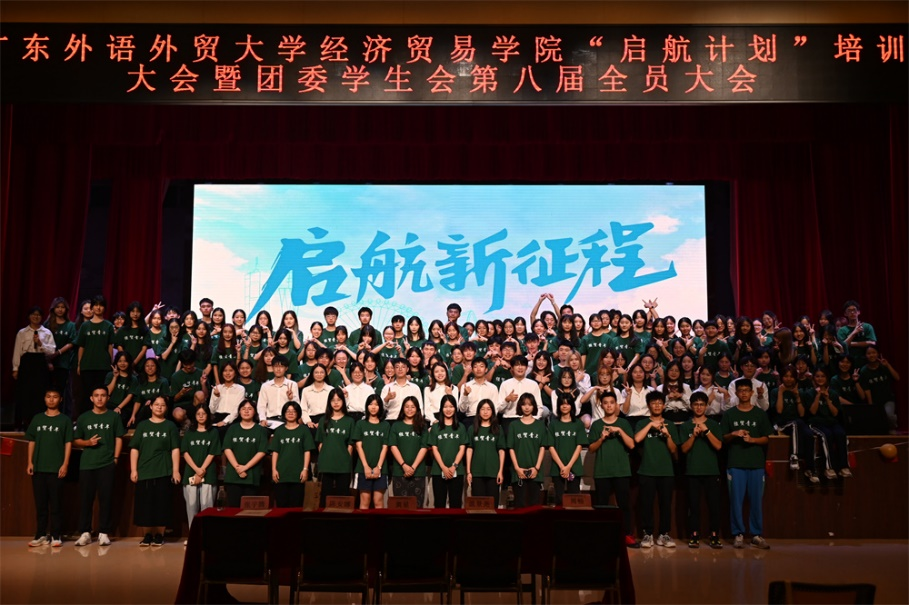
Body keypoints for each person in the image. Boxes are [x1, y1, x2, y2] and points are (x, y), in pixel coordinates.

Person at [722, 378, 773, 549]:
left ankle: (756, 534)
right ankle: (738, 534)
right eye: (741, 390)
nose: (743, 393)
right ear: (736, 393)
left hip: (756, 463)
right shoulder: (730, 414)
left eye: (746, 390)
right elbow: (723, 438)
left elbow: (766, 438)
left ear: (752, 393)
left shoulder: (760, 414)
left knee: (756, 501)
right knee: (736, 501)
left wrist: (752, 440)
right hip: (736, 463)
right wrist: (734, 434)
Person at [74, 387, 125, 546]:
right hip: (87, 464)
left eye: (103, 395)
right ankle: (85, 532)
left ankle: (104, 532)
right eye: (96, 395)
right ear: (91, 398)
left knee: (106, 499)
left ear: (108, 398)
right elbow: (76, 440)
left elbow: (119, 437)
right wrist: (88, 442)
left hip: (107, 462)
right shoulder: (84, 417)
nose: (100, 398)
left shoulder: (113, 416)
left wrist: (115, 458)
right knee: (86, 499)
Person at [587, 391, 637, 546]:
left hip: (621, 471)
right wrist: (601, 438)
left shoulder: (623, 423)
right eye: (605, 403)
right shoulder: (596, 425)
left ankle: (626, 535)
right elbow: (591, 449)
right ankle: (602, 536)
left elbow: (631, 445)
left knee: (624, 505)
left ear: (616, 405)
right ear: (601, 405)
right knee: (602, 506)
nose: (609, 405)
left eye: (611, 402)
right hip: (602, 471)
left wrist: (619, 431)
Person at [129, 396, 180, 547]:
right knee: (145, 503)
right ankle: (147, 535)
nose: (159, 407)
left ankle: (159, 535)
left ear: (166, 408)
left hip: (163, 469)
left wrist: (175, 470)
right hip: (144, 470)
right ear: (150, 406)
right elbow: (134, 448)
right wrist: (133, 470)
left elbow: (175, 449)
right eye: (156, 404)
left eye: (162, 405)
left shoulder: (170, 426)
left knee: (162, 503)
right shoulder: (143, 426)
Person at [25, 387, 73, 547]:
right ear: (44, 399)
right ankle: (40, 535)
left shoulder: (64, 420)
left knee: (56, 504)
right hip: (38, 468)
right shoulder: (37, 418)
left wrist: (65, 464)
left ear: (60, 399)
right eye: (48, 396)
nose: (51, 399)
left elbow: (68, 443)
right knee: (41, 504)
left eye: (55, 397)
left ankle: (56, 535)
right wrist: (30, 462)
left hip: (56, 468)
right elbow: (32, 441)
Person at [634, 391, 679, 548]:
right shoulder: (642, 423)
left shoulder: (670, 425)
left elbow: (673, 449)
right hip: (647, 470)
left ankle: (664, 534)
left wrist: (667, 435)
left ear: (664, 405)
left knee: (665, 505)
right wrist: (650, 425)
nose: (657, 405)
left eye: (660, 403)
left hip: (666, 471)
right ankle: (647, 534)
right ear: (649, 406)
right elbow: (637, 439)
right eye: (654, 403)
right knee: (646, 504)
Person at [680, 391, 724, 549]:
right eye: (696, 404)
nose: (699, 407)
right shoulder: (686, 426)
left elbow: (718, 446)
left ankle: (714, 535)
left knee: (714, 506)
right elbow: (684, 449)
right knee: (693, 506)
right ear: (691, 406)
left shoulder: (713, 424)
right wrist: (693, 435)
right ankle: (694, 535)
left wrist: (707, 431)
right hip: (692, 471)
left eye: (702, 404)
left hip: (711, 471)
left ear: (706, 406)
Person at [13, 306, 57, 429]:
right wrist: (15, 368)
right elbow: (17, 351)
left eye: (38, 315)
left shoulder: (46, 332)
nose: (35, 317)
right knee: (25, 393)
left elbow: (52, 350)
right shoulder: (22, 332)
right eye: (33, 314)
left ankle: (39, 421)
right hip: (26, 362)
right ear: (29, 316)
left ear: (41, 317)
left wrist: (40, 343)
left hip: (40, 363)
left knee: (39, 393)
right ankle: (23, 422)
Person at [506, 393, 551, 508]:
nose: (527, 407)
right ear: (520, 406)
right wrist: (517, 468)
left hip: (535, 471)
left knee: (534, 505)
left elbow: (542, 447)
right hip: (518, 472)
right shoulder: (514, 425)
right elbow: (511, 448)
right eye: (524, 404)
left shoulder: (540, 425)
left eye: (530, 404)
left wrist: (536, 468)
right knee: (519, 504)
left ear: (534, 406)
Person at [807, 367, 852, 479]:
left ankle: (843, 467)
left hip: (831, 422)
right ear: (813, 378)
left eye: (823, 376)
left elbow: (835, 413)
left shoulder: (833, 394)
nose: (820, 379)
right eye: (817, 376)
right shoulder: (809, 393)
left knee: (841, 433)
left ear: (827, 378)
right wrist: (818, 396)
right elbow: (812, 412)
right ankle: (829, 468)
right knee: (826, 435)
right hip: (816, 423)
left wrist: (827, 399)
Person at [181, 405, 221, 531]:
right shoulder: (189, 432)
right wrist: (196, 470)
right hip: (191, 471)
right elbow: (185, 452)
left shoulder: (213, 432)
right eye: (198, 414)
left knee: (206, 504)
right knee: (191, 504)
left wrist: (201, 470)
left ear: (208, 415)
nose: (201, 416)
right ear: (195, 416)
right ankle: (193, 535)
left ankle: (206, 535)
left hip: (207, 472)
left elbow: (213, 452)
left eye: (204, 413)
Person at [222, 399, 268, 507]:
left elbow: (262, 451)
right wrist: (238, 467)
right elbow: (227, 448)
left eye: (250, 409)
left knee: (249, 511)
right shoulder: (232, 428)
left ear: (255, 412)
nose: (246, 411)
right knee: (233, 509)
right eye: (243, 409)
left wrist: (245, 467)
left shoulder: (260, 430)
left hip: (251, 475)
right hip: (233, 475)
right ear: (239, 412)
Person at [270, 401, 315, 507]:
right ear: (284, 413)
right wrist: (274, 470)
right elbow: (275, 451)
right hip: (281, 474)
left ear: (298, 413)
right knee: (281, 505)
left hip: (298, 474)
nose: (290, 413)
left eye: (294, 411)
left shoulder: (304, 430)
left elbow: (307, 451)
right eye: (288, 411)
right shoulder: (279, 431)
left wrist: (305, 469)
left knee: (296, 505)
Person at [315, 387, 355, 506]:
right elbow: (320, 443)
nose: (336, 403)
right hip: (326, 464)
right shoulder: (323, 420)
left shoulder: (349, 421)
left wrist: (346, 459)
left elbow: (350, 445)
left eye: (339, 400)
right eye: (333, 400)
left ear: (343, 401)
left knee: (342, 497)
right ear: (329, 402)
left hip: (343, 465)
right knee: (325, 497)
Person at [428, 394, 468, 508]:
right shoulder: (436, 427)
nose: (448, 409)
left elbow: (462, 449)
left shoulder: (461, 427)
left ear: (455, 408)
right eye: (445, 407)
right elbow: (434, 449)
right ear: (441, 409)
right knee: (439, 504)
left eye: (451, 406)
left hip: (457, 471)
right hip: (438, 471)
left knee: (456, 504)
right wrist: (443, 468)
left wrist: (454, 466)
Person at [548, 392, 588, 505]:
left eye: (567, 404)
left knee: (574, 500)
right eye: (562, 404)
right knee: (558, 500)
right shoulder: (553, 424)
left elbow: (579, 446)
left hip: (574, 467)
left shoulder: (578, 424)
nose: (564, 406)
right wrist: (562, 467)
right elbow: (551, 447)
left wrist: (568, 467)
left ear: (572, 406)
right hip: (557, 468)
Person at [389, 395, 429, 506]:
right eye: (407, 406)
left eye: (413, 407)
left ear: (417, 409)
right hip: (399, 471)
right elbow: (393, 446)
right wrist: (404, 465)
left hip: (418, 472)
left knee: (417, 506)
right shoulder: (396, 426)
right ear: (402, 408)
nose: (409, 409)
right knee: (400, 507)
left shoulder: (422, 426)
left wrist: (413, 467)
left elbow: (424, 447)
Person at [352, 394, 390, 509]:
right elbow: (358, 446)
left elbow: (385, 447)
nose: (373, 407)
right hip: (362, 468)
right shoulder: (360, 424)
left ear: (380, 407)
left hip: (381, 468)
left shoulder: (385, 425)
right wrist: (366, 467)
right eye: (371, 404)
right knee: (365, 501)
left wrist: (379, 467)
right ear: (367, 406)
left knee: (378, 501)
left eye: (376, 404)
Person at [465, 399, 505, 501]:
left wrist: (500, 471)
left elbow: (501, 451)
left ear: (492, 411)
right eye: (482, 409)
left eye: (488, 409)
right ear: (478, 411)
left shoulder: (498, 429)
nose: (485, 412)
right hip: (476, 473)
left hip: (493, 472)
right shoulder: (472, 429)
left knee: (492, 504)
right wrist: (469, 472)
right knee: (478, 504)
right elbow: (469, 450)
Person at [859, 345, 900, 431]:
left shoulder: (883, 366)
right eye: (869, 353)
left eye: (874, 352)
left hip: (888, 399)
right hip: (875, 401)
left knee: (889, 416)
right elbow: (867, 390)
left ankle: (892, 429)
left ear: (878, 354)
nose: (871, 355)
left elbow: (897, 378)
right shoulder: (864, 371)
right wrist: (871, 405)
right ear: (865, 355)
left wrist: (888, 365)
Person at [257, 355, 299, 428]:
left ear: (286, 368)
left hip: (286, 421)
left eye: (281, 366)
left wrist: (291, 398)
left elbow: (297, 406)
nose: (278, 369)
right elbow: (261, 405)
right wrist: (262, 419)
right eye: (276, 366)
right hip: (269, 421)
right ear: (272, 367)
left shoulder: (292, 385)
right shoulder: (265, 386)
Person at [170, 349, 208, 426]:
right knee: (178, 414)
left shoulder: (201, 373)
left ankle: (198, 423)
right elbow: (174, 399)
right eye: (186, 364)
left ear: (194, 361)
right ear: (182, 363)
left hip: (196, 404)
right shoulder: (175, 376)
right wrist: (181, 393)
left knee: (200, 394)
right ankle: (186, 424)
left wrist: (203, 384)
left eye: (191, 363)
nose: (189, 366)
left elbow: (206, 396)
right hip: (181, 406)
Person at [129, 357, 169, 428]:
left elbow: (166, 398)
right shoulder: (141, 383)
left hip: (159, 408)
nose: (150, 368)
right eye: (147, 366)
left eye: (152, 366)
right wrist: (133, 415)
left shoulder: (163, 381)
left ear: (156, 367)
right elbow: (138, 402)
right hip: (144, 410)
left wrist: (153, 401)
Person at [837, 300, 877, 369]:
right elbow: (842, 347)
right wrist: (854, 332)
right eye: (849, 311)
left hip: (866, 362)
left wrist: (851, 344)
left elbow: (873, 343)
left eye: (854, 310)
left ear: (859, 312)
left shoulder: (867, 326)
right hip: (849, 363)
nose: (852, 312)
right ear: (845, 314)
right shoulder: (842, 330)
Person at [380, 357, 422, 422]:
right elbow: (380, 409)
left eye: (403, 367)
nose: (400, 369)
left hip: (409, 421)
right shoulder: (387, 388)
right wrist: (387, 399)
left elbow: (420, 408)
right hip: (391, 420)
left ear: (407, 369)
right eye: (397, 367)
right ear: (394, 369)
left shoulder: (415, 388)